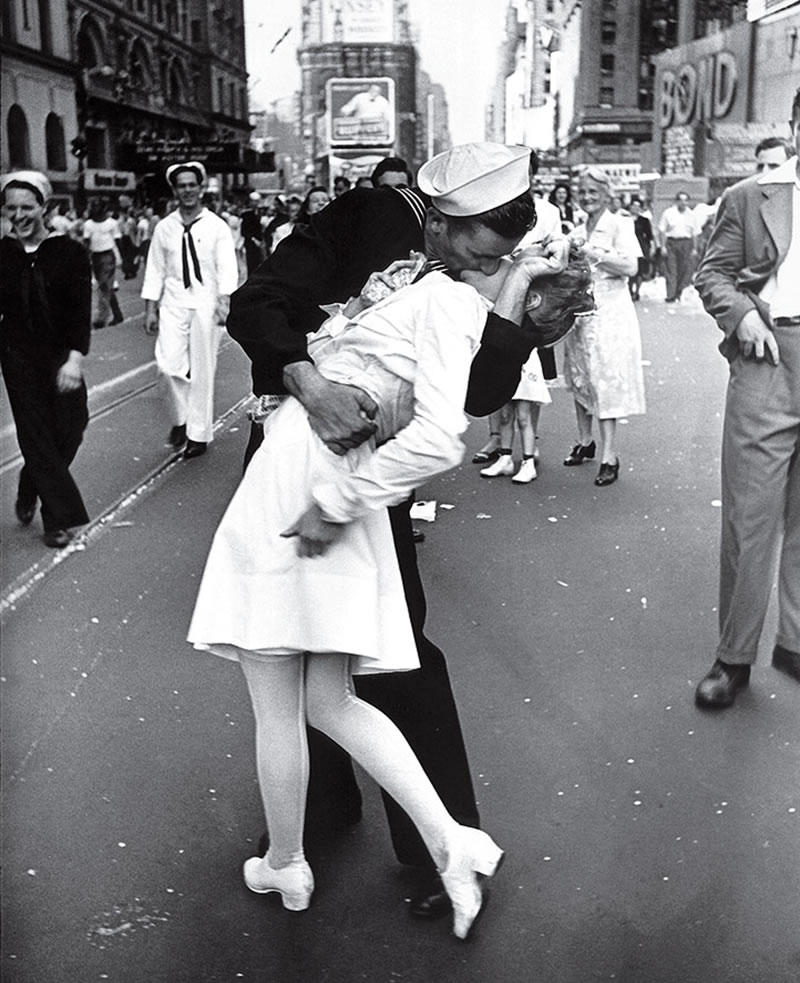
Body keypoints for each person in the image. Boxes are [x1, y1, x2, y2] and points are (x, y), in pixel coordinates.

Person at [189, 146, 579, 939]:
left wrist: (518, 328)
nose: (484, 262)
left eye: (499, 254)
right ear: (435, 217)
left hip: (358, 475)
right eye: (476, 246)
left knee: (382, 660)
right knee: (316, 682)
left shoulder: (488, 276)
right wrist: (310, 381)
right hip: (315, 445)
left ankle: (423, 843)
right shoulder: (363, 217)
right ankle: (320, 820)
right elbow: (257, 301)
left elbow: (466, 401)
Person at [692, 89, 800, 709]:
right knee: (750, 519)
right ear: (793, 126)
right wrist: (741, 317)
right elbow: (713, 274)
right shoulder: (751, 196)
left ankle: (795, 641)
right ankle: (733, 659)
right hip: (770, 357)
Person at [0, 171, 92, 548]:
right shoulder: (2, 253)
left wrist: (73, 359)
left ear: (44, 208)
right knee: (35, 433)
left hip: (59, 355)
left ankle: (31, 480)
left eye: (27, 207)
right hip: (16, 355)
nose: (19, 215)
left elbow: (79, 310)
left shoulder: (69, 252)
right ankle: (57, 520)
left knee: (72, 426)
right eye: (11, 208)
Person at [141, 160, 239, 458]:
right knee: (167, 366)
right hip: (173, 303)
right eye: (181, 186)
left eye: (192, 185)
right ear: (174, 190)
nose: (187, 191)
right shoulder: (164, 228)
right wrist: (149, 309)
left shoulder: (216, 226)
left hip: (206, 304)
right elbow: (155, 269)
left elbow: (227, 267)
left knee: (202, 370)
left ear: (200, 189)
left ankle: (198, 434)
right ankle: (180, 420)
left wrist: (225, 302)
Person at [561, 166, 646, 486]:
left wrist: (592, 252)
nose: (586, 197)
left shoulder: (620, 225)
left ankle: (610, 456)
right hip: (581, 313)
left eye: (593, 192)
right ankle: (586, 441)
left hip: (611, 314)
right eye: (582, 192)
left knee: (606, 380)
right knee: (581, 377)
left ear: (607, 195)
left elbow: (630, 266)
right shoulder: (578, 228)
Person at [82, 198, 124, 329]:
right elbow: (86, 242)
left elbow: (118, 241)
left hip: (107, 256)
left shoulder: (111, 223)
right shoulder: (88, 224)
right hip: (95, 256)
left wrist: (121, 257)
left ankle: (102, 317)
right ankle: (117, 314)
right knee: (104, 287)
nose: (95, 210)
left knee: (105, 285)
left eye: (97, 207)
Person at [658, 190, 698, 303]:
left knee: (685, 270)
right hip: (672, 243)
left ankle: (679, 292)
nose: (683, 203)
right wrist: (662, 246)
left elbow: (695, 233)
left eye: (686, 200)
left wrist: (695, 248)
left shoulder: (691, 215)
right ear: (676, 201)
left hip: (686, 244)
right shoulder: (668, 213)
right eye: (681, 200)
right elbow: (662, 230)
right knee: (671, 269)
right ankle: (670, 295)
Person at [628, 197, 654, 302]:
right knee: (630, 269)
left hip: (641, 246)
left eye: (638, 206)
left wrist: (651, 248)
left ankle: (637, 291)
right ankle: (630, 289)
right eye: (634, 206)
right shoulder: (625, 219)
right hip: (628, 245)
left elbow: (649, 236)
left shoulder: (644, 220)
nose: (635, 208)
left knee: (639, 270)